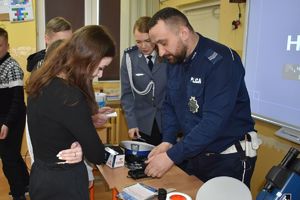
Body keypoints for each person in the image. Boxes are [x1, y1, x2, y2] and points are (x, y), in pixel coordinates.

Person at [144, 7, 259, 188]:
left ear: (183, 32)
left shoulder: (222, 61)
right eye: (156, 46)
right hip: (196, 153)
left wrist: (171, 156)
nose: (161, 52)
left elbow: (213, 122)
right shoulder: (175, 60)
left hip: (228, 157)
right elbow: (170, 105)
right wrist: (168, 140)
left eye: (163, 43)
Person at [25, 25, 116, 200]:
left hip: (40, 177)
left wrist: (82, 140)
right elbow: (97, 154)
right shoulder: (71, 97)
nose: (100, 74)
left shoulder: (41, 80)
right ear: (87, 59)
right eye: (101, 67)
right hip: (65, 183)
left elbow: (55, 127)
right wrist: (85, 147)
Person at [120, 16, 167, 146]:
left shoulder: (167, 53)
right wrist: (132, 123)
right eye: (138, 42)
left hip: (168, 121)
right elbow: (127, 94)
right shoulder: (130, 57)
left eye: (147, 41)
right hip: (143, 123)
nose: (143, 46)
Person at [0, 28, 29, 200]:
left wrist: (7, 123)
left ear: (7, 45)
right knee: (13, 155)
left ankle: (18, 195)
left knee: (8, 159)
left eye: (0, 45)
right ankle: (26, 183)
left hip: (14, 118)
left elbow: (17, 102)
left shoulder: (12, 67)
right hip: (3, 118)